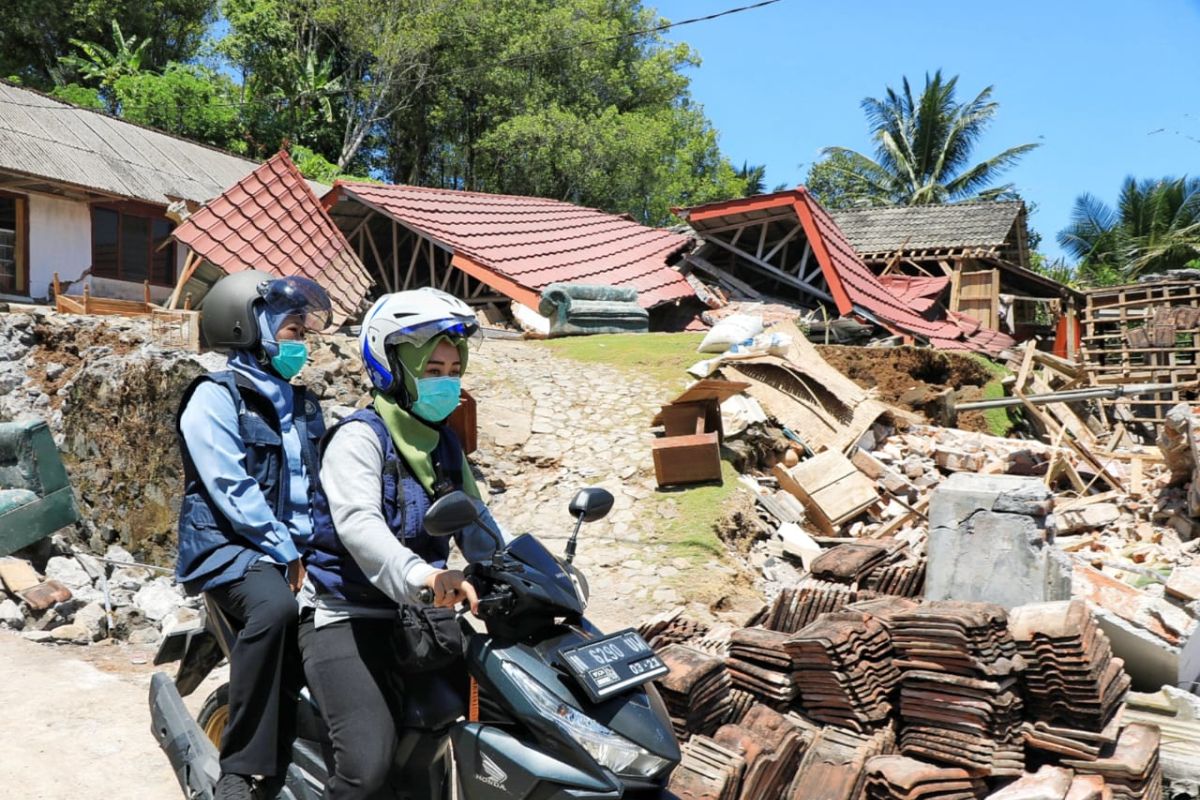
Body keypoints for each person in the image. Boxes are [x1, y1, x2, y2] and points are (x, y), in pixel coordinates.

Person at [299, 287, 505, 800]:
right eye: (432, 370)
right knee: (365, 769)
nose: (447, 382)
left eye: (454, 370)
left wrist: (515, 571)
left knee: (498, 714)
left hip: (420, 619)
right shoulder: (359, 438)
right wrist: (427, 576)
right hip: (346, 614)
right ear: (393, 368)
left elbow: (477, 523)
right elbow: (359, 527)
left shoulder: (442, 444)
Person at [175, 270, 332, 800]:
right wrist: (286, 551)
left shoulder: (304, 404)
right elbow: (229, 486)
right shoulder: (214, 398)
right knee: (275, 612)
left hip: (297, 549)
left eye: (304, 333)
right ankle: (239, 773)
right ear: (247, 326)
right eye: (291, 330)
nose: (301, 344)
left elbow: (322, 483)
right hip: (230, 548)